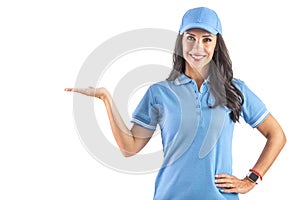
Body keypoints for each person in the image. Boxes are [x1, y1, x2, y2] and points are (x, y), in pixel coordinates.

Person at [65, 7, 286, 200]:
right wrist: (106, 99)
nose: (197, 47)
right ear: (181, 40)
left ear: (217, 44)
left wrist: (251, 178)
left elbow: (276, 135)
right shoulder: (159, 93)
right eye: (190, 37)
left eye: (206, 39)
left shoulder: (235, 89)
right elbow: (129, 148)